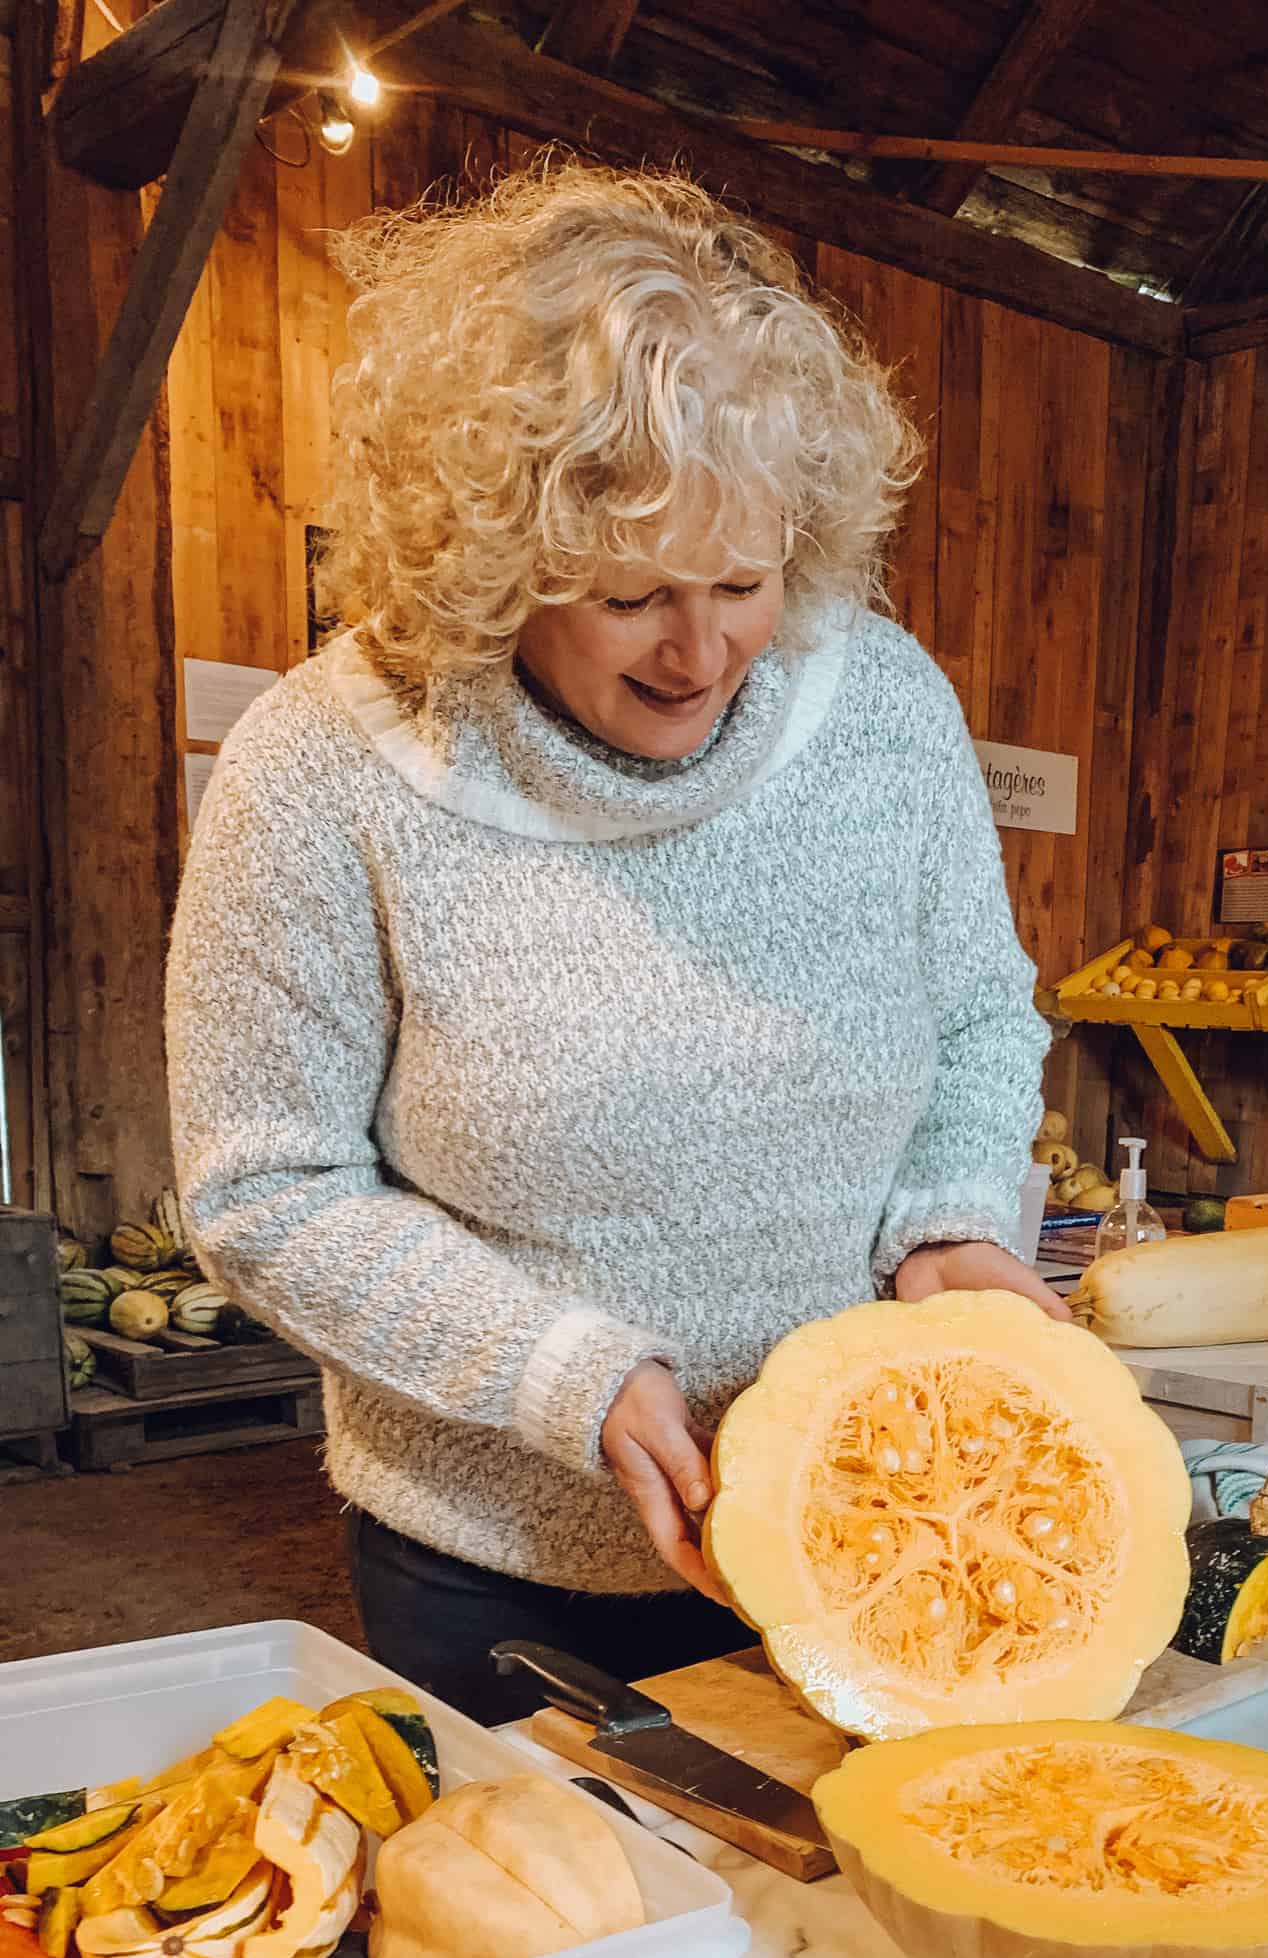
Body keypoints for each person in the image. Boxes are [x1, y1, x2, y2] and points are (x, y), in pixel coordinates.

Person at [165, 164, 1060, 1724]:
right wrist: (559, 1373)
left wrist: (953, 1220)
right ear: (496, 555)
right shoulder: (323, 768)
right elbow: (263, 1186)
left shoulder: (890, 708)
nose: (703, 649)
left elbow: (982, 1021)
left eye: (745, 578)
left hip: (880, 1526)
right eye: (634, 590)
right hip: (494, 1580)